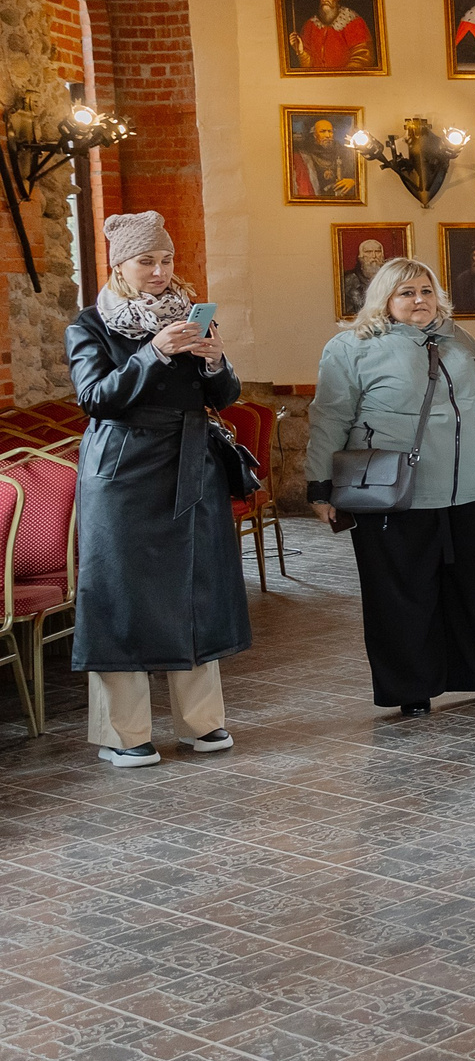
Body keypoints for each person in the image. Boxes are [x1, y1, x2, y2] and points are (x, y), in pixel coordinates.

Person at [308, 258, 475, 716]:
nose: (420, 300)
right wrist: (320, 486)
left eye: (426, 291)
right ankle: (411, 688)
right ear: (384, 299)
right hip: (393, 491)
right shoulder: (350, 347)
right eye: (407, 292)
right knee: (401, 595)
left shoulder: (460, 338)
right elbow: (328, 417)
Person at [69, 212, 251, 768]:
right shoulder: (90, 324)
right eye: (146, 260)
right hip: (122, 472)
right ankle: (122, 733)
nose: (159, 270)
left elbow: (224, 396)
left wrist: (216, 363)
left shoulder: (190, 317)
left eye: (166, 259)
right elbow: (95, 398)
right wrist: (154, 353)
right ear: (119, 266)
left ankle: (202, 722)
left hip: (191, 462)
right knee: (120, 594)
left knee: (196, 585)